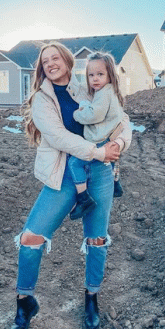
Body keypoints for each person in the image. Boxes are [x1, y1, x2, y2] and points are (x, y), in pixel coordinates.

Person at [8, 42, 132, 329]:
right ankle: (25, 302)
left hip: (100, 173)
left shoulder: (87, 84)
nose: (51, 63)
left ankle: (91, 299)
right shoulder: (42, 99)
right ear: (42, 67)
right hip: (64, 173)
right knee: (31, 237)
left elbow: (122, 118)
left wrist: (120, 144)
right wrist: (98, 151)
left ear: (66, 61)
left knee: (97, 239)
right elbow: (59, 137)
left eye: (55, 58)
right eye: (45, 60)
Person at [68, 51, 125, 221]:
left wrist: (77, 115)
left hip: (100, 140)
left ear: (110, 74)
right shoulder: (110, 91)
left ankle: (83, 199)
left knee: (74, 164)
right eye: (91, 75)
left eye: (100, 74)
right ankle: (116, 184)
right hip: (110, 135)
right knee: (113, 158)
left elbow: (94, 115)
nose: (95, 79)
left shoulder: (104, 93)